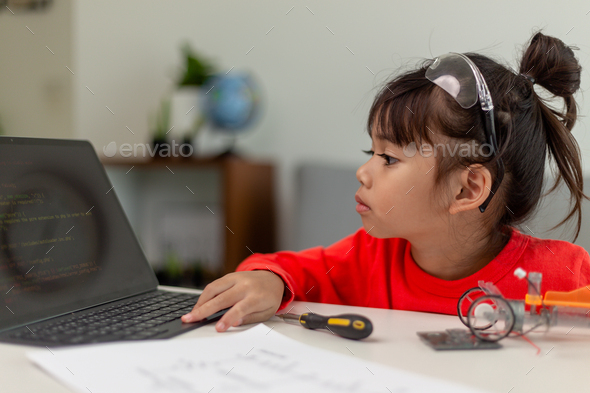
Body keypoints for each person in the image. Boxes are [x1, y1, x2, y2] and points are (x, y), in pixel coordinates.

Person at [182, 31, 590, 332]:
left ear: (467, 189)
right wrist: (268, 282)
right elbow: (288, 270)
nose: (363, 172)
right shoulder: (369, 258)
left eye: (388, 157)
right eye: (370, 153)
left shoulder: (565, 274)